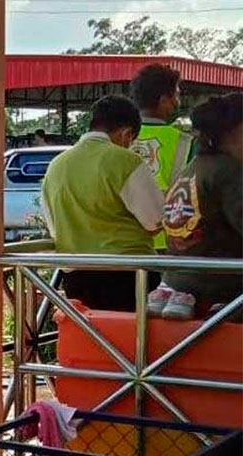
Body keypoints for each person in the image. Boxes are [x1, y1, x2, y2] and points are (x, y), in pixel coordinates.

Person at [41, 95, 164, 312]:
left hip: (76, 278)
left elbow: (53, 227)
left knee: (90, 342)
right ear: (126, 133)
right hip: (129, 275)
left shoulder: (56, 166)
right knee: (132, 343)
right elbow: (155, 220)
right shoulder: (125, 161)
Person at [149, 93, 242, 320]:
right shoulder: (229, 171)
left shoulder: (191, 168)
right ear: (233, 131)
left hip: (178, 283)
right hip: (223, 289)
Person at [130, 63, 196, 252]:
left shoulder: (118, 137)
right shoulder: (186, 142)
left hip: (123, 247)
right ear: (163, 100)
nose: (177, 102)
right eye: (175, 95)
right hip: (169, 244)